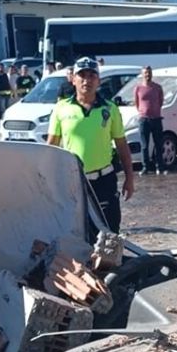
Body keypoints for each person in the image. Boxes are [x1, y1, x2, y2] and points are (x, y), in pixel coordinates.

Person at [47, 56, 135, 238]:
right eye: (82, 75)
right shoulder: (61, 109)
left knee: (109, 232)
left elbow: (122, 145)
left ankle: (111, 265)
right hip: (74, 181)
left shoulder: (110, 109)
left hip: (104, 180)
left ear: (99, 80)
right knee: (76, 230)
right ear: (73, 79)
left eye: (92, 76)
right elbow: (51, 148)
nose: (87, 80)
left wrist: (130, 178)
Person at [133, 66, 165, 175]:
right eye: (146, 73)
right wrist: (143, 112)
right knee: (144, 145)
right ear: (142, 74)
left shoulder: (158, 88)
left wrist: (154, 111)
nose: (148, 75)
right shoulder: (138, 88)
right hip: (144, 120)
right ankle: (145, 167)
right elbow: (136, 103)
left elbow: (161, 102)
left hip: (156, 119)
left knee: (158, 144)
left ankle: (159, 166)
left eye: (149, 73)